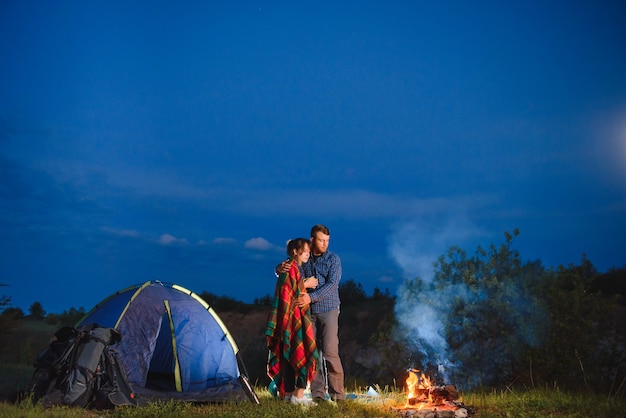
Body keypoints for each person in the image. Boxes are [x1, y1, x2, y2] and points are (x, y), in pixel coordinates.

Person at [277, 224, 345, 403]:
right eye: (321, 240)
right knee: (312, 354)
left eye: (327, 241)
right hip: (307, 313)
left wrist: (310, 297)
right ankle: (318, 396)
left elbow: (332, 285)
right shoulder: (304, 256)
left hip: (328, 309)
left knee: (330, 352)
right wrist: (278, 269)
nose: (325, 244)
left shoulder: (333, 259)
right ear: (313, 239)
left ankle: (338, 396)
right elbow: (290, 272)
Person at [265, 238, 319, 406]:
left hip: (290, 318)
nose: (308, 254)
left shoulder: (293, 267)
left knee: (289, 354)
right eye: (306, 251)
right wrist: (306, 284)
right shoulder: (289, 268)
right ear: (295, 251)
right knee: (298, 352)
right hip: (293, 318)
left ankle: (290, 394)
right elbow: (290, 293)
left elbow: (290, 291)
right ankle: (295, 395)